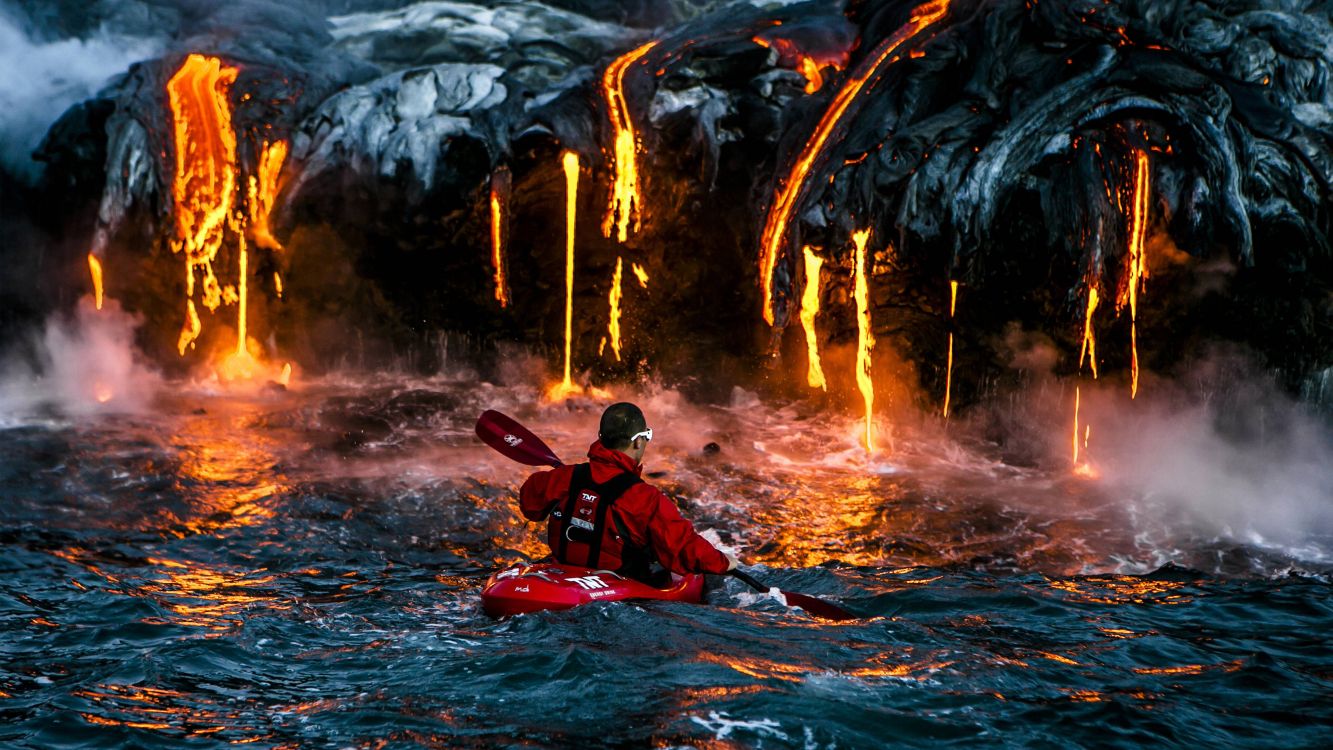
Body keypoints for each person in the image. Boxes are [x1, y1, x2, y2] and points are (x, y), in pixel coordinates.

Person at [519, 402, 740, 585]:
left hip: (559, 578)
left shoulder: (564, 477)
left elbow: (529, 504)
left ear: (601, 438)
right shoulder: (646, 499)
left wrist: (567, 482)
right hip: (614, 590)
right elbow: (682, 546)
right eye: (647, 436)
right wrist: (722, 561)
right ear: (637, 441)